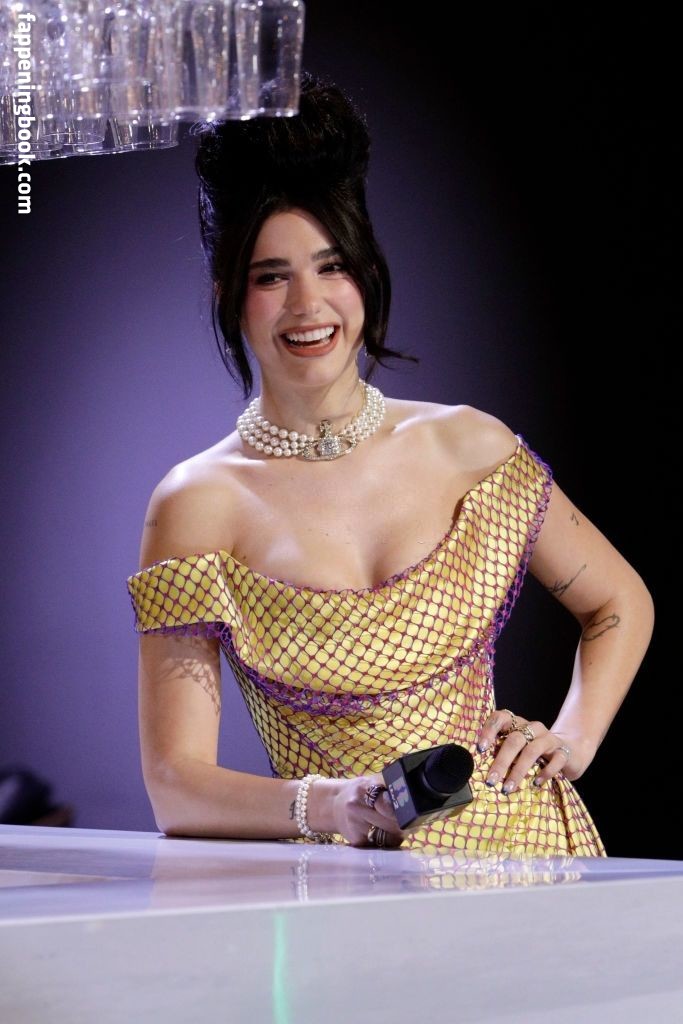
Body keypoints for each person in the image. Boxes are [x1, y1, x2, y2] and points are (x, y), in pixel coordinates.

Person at [126, 74, 654, 856]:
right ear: (228, 294)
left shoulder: (467, 447)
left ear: (366, 273)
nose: (307, 305)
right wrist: (332, 805)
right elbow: (176, 787)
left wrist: (571, 737)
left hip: (531, 860)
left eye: (331, 266)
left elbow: (617, 601)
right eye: (271, 276)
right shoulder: (196, 503)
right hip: (347, 893)